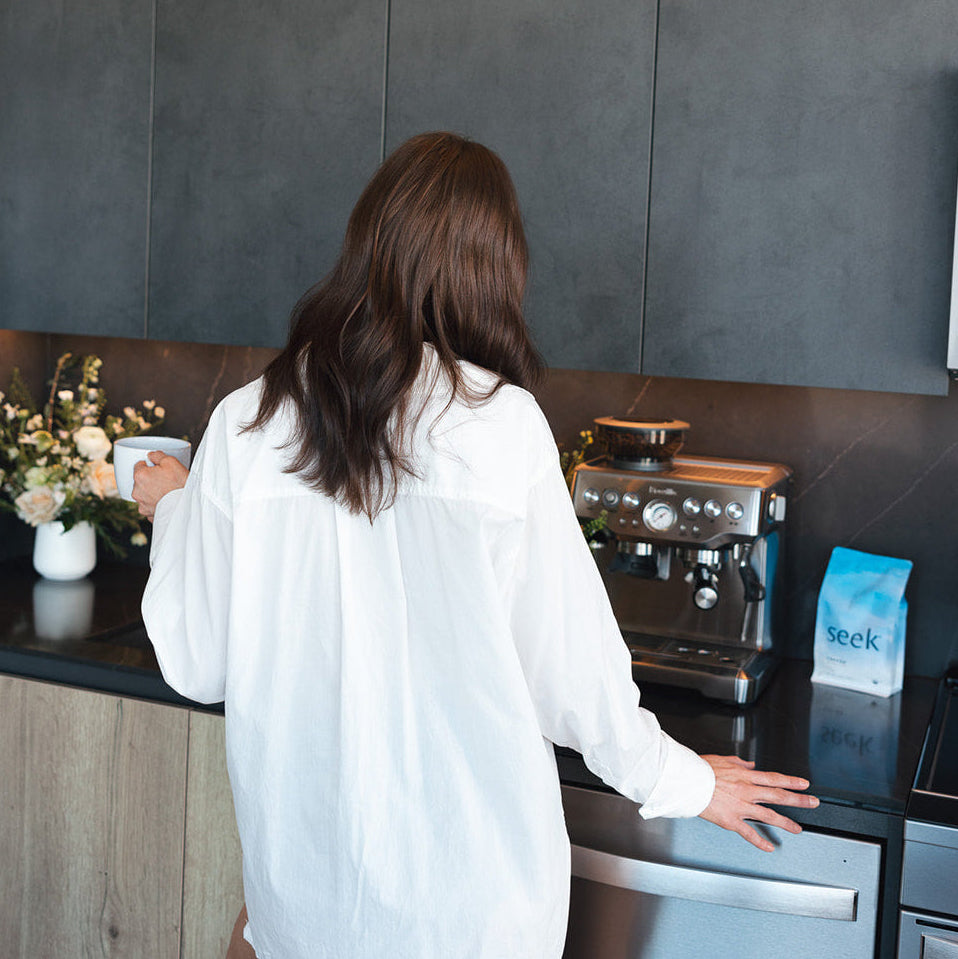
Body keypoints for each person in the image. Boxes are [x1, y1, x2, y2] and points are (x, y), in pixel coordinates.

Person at [134, 131, 817, 959]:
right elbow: (574, 673)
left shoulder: (245, 422)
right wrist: (688, 783)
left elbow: (195, 659)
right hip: (474, 914)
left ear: (366, 247)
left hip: (305, 909)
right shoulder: (502, 427)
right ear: (491, 275)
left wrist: (174, 509)